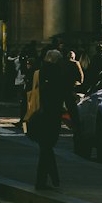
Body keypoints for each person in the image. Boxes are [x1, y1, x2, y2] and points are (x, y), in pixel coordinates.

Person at [31, 48, 69, 189]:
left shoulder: (38, 72)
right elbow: (63, 95)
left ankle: (52, 178)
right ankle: (42, 181)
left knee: (45, 147)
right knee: (47, 147)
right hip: (51, 116)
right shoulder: (57, 73)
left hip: (38, 115)